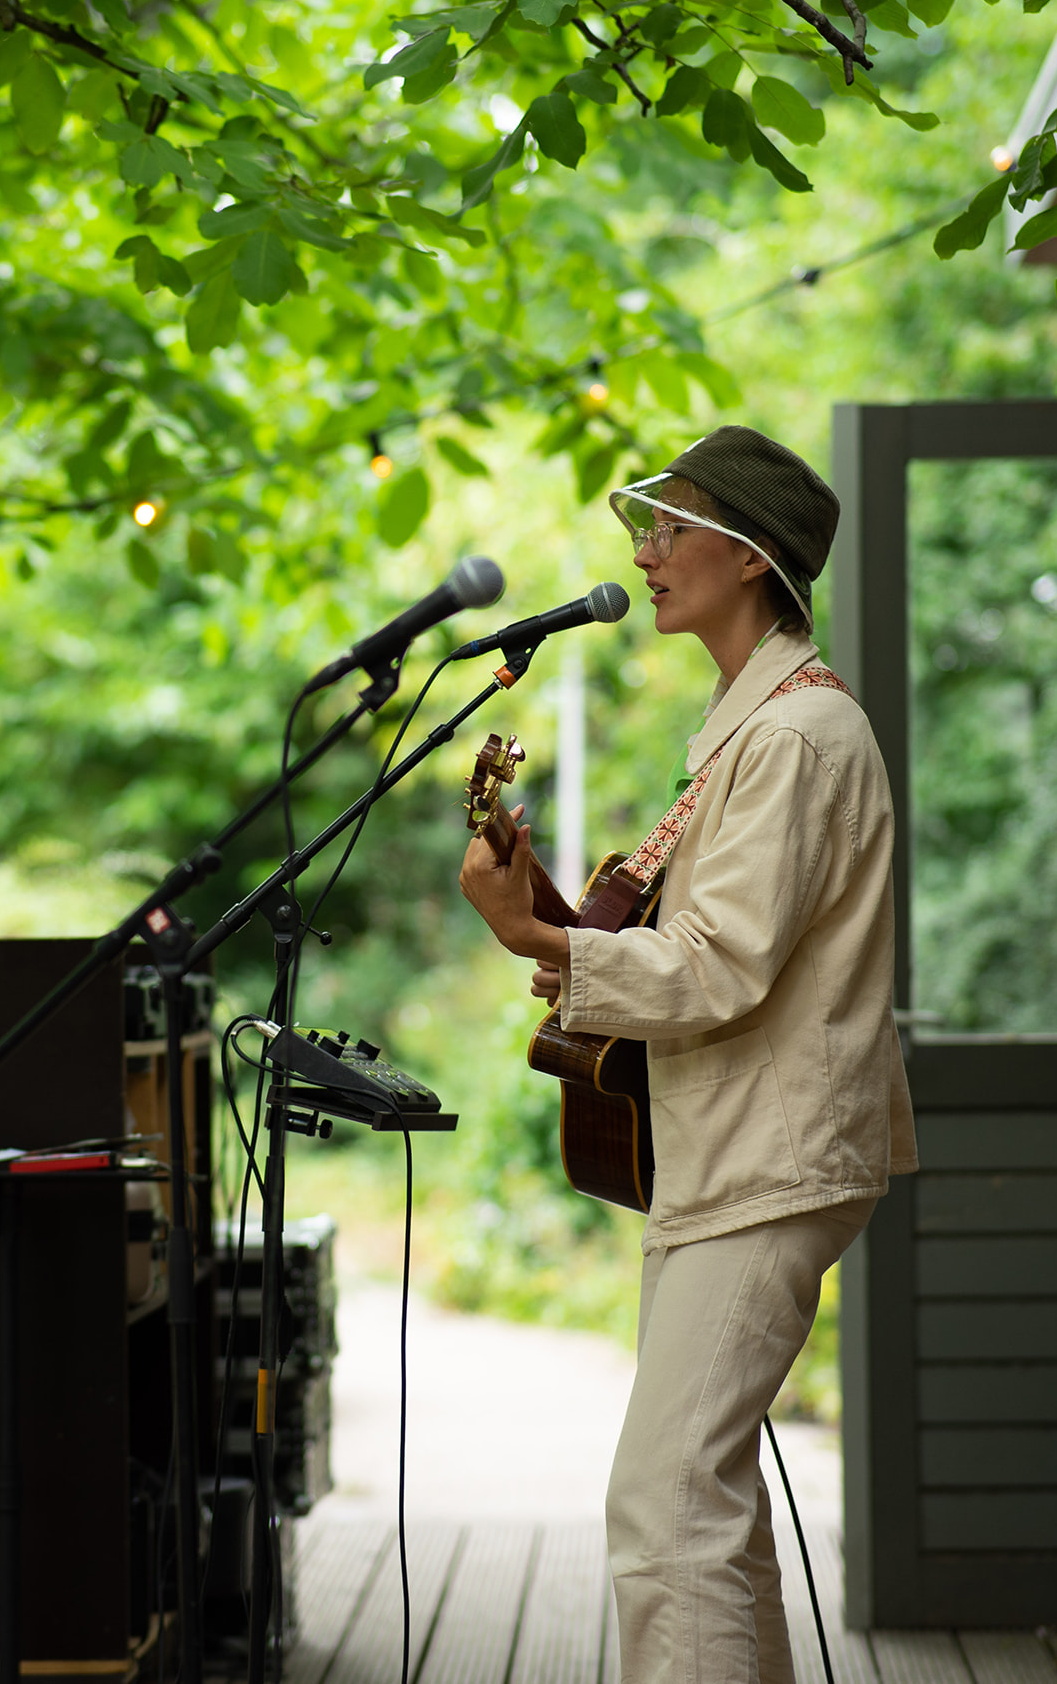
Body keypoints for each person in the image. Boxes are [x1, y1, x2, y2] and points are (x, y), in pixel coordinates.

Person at [456, 425, 916, 1684]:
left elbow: (720, 965)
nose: (646, 553)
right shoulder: (747, 724)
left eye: (671, 526)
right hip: (729, 1150)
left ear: (751, 556)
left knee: (664, 1505)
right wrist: (559, 926)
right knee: (702, 1503)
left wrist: (533, 939)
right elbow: (699, 945)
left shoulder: (794, 738)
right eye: (644, 528)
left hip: (768, 1155)